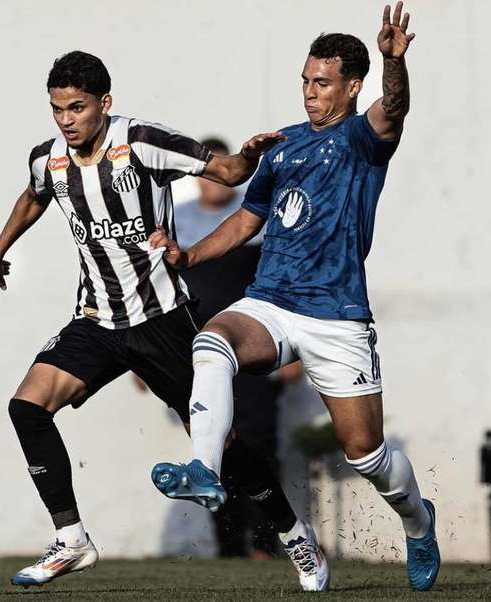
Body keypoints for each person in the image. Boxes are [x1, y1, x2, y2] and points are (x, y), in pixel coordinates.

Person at [0, 51, 321, 590]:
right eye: (56, 110)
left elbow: (227, 172)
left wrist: (248, 157)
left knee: (222, 447)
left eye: (76, 107)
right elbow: (33, 195)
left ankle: (296, 537)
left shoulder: (141, 142)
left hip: (162, 319)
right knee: (27, 406)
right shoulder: (49, 159)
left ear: (104, 103)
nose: (66, 120)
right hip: (96, 319)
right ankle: (72, 540)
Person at [150, 3, 440, 592]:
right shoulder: (281, 148)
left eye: (322, 82)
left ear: (351, 87)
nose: (310, 92)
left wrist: (392, 62)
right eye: (305, 80)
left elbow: (397, 108)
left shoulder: (363, 138)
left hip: (336, 317)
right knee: (212, 341)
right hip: (271, 303)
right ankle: (204, 468)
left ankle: (417, 521)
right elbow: (244, 223)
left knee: (365, 454)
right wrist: (188, 255)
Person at [175, 137, 300, 559]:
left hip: (253, 344)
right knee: (213, 441)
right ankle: (228, 543)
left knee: (261, 439)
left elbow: (279, 277)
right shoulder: (179, 220)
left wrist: (292, 348)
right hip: (201, 350)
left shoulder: (253, 215)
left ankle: (267, 540)